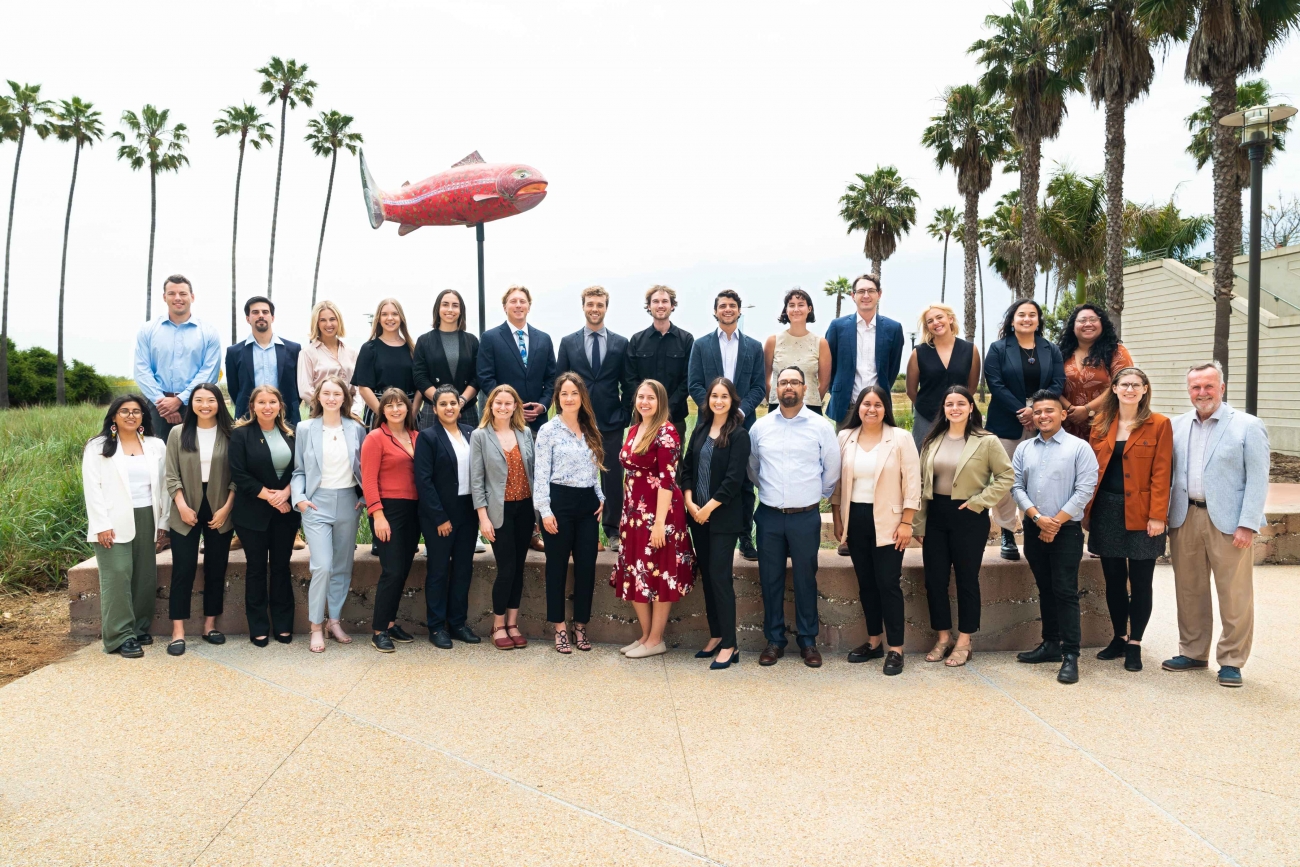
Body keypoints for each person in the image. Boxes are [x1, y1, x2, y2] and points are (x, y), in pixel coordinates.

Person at [1162, 361, 1269, 688]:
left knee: (1234, 594)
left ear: (1222, 387)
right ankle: (1193, 652)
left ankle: (1232, 661)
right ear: (1189, 390)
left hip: (1230, 522)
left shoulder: (1247, 426)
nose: (1202, 392)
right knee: (1189, 589)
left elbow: (1258, 478)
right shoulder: (1176, 425)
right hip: (1185, 516)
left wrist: (1248, 523)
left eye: (1209, 386)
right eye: (1196, 387)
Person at [913, 386, 1013, 668]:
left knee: (967, 580)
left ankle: (965, 641)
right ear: (943, 409)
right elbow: (922, 484)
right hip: (936, 516)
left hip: (969, 515)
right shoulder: (933, 440)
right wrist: (919, 523)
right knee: (934, 580)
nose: (954, 408)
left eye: (960, 403)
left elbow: (1006, 475)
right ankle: (943, 636)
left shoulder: (986, 440)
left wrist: (981, 501)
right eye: (949, 404)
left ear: (971, 407)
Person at [748, 366, 841, 668]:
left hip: (805, 517)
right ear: (775, 388)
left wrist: (811, 496)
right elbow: (753, 469)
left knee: (805, 579)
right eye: (783, 382)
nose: (788, 387)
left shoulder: (821, 426)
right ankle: (774, 640)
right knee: (770, 580)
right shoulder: (760, 428)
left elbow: (832, 471)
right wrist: (773, 493)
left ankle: (808, 641)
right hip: (770, 517)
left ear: (805, 388)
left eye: (794, 382)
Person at [1085, 368, 1172, 673]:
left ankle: (1135, 642)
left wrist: (1158, 516)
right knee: (1113, 581)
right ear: (1115, 389)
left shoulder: (1159, 424)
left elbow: (1162, 474)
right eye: (1125, 385)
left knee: (1141, 581)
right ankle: (1119, 637)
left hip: (1144, 513)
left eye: (1136, 385)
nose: (1130, 389)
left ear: (1145, 389)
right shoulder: (1100, 423)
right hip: (1106, 509)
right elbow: (1091, 469)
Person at [830, 384, 920, 676]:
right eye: (866, 404)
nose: (871, 409)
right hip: (855, 518)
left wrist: (907, 522)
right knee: (866, 584)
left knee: (888, 584)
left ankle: (896, 649)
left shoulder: (900, 438)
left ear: (886, 409)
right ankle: (874, 642)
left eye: (878, 405)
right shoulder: (845, 437)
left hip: (890, 522)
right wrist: (838, 519)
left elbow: (912, 483)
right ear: (858, 408)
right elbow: (837, 483)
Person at [1011, 390, 1098, 685]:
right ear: (1032, 417)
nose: (1043, 416)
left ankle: (1070, 654)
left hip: (1066, 530)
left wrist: (1055, 523)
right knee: (1045, 588)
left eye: (1049, 410)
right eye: (1038, 412)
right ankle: (1050, 643)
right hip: (1035, 527)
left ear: (1062, 414)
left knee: (1064, 590)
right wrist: (1037, 518)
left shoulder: (1079, 448)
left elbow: (1085, 489)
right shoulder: (1024, 449)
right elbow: (1016, 486)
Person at [611, 379, 695, 658]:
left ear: (661, 402)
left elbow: (667, 481)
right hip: (633, 514)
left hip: (661, 516)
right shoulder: (634, 429)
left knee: (660, 573)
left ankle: (657, 639)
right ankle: (646, 636)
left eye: (651, 398)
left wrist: (659, 524)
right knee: (635, 571)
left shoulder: (667, 432)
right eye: (640, 397)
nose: (644, 402)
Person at [82, 395, 169, 658]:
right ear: (113, 416)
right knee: (118, 575)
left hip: (148, 516)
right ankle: (120, 636)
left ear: (144, 417)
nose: (131, 415)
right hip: (112, 521)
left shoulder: (155, 445)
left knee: (144, 575)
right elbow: (92, 487)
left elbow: (164, 486)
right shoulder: (97, 446)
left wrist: (163, 523)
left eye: (137, 411)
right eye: (124, 411)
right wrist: (101, 525)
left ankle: (139, 627)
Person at [983, 299, 1066, 561]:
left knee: (1038, 478)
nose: (1027, 319)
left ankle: (1035, 526)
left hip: (1044, 421)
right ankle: (1008, 530)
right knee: (1005, 478)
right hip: (1007, 422)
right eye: (1021, 315)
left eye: (1032, 315)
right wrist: (1023, 410)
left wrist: (1037, 410)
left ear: (1039, 320)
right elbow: (995, 384)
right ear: (1011, 320)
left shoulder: (1050, 349)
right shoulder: (998, 349)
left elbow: (1058, 381)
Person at [688, 289, 766, 561]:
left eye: (732, 306)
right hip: (709, 423)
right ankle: (703, 535)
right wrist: (713, 410)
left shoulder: (754, 347)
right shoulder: (701, 345)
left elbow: (758, 387)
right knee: (706, 478)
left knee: (743, 482)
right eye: (722, 306)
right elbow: (695, 384)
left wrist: (740, 412)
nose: (727, 310)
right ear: (715, 311)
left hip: (741, 424)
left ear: (739, 310)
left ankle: (745, 538)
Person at [680, 377, 752, 670]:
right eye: (714, 396)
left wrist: (707, 508)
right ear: (707, 400)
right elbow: (686, 468)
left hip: (723, 518)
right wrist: (689, 502)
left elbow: (734, 480)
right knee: (708, 577)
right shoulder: (699, 430)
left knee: (720, 578)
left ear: (732, 400)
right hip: (697, 516)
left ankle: (730, 644)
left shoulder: (739, 435)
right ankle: (716, 634)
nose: (718, 401)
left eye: (724, 396)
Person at [291, 375, 366, 653]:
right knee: (322, 565)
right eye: (327, 393)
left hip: (348, 501)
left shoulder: (356, 428)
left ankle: (334, 621)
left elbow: (365, 468)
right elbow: (299, 470)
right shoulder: (305, 428)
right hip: (316, 503)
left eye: (337, 393)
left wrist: (364, 496)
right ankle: (315, 627)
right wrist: (299, 499)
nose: (332, 398)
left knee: (343, 566)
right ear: (318, 397)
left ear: (345, 398)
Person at [555, 286, 631, 551]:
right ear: (583, 306)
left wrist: (624, 414)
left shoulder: (621, 343)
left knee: (611, 477)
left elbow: (628, 383)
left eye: (599, 304)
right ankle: (583, 530)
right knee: (579, 476)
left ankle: (612, 531)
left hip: (611, 422)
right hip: (578, 422)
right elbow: (560, 383)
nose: (594, 309)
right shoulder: (568, 342)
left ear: (606, 307)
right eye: (590, 304)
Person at [534, 373, 605, 654]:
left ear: (581, 396)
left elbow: (594, 467)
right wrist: (545, 511)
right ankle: (560, 627)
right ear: (557, 398)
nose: (569, 398)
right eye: (564, 393)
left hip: (587, 504)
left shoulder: (589, 427)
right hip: (559, 503)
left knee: (587, 568)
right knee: (557, 568)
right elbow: (540, 475)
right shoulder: (549, 431)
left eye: (574, 393)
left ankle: (580, 625)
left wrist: (599, 496)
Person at [164, 384, 236, 656]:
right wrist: (181, 505)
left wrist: (227, 508)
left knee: (216, 568)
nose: (205, 405)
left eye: (211, 400)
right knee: (183, 569)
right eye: (198, 400)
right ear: (191, 403)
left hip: (219, 507)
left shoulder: (231, 434)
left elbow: (237, 477)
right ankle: (178, 631)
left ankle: (210, 625)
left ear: (219, 403)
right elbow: (171, 474)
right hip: (186, 507)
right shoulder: (178, 433)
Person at [229, 385, 301, 647]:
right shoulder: (241, 435)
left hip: (286, 513)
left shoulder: (292, 434)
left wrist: (286, 494)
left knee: (281, 568)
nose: (267, 406)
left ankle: (283, 625)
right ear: (253, 407)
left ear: (280, 406)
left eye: (273, 402)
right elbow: (239, 474)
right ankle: (258, 626)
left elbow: (301, 469)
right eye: (262, 402)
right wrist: (271, 497)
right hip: (252, 514)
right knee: (256, 569)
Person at [414, 385, 481, 649]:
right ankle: (436, 626)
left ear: (459, 405)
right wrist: (440, 517)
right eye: (443, 404)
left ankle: (458, 624)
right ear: (435, 408)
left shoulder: (471, 433)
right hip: (439, 515)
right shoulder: (428, 437)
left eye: (453, 403)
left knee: (463, 569)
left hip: (467, 512)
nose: (449, 408)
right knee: (439, 571)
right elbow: (424, 480)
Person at [471, 385, 536, 651]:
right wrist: (483, 518)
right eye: (498, 403)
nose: (503, 407)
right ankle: (497, 625)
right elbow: (477, 481)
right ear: (490, 405)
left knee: (519, 568)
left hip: (524, 509)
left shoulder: (525, 433)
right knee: (506, 568)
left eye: (509, 403)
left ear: (515, 407)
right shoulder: (480, 436)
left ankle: (512, 623)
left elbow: (533, 472)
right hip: (499, 512)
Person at [361, 388, 421, 653]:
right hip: (388, 511)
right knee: (392, 571)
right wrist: (378, 515)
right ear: (382, 411)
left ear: (408, 409)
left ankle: (391, 622)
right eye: (390, 405)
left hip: (414, 511)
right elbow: (369, 480)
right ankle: (378, 630)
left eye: (401, 405)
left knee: (404, 569)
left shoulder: (416, 437)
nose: (396, 409)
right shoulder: (375, 438)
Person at [132, 274, 222, 444]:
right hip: (157, 405)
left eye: (183, 293)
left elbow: (209, 371)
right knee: (156, 455)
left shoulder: (208, 332)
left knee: (195, 455)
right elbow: (141, 370)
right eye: (172, 293)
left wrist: (180, 399)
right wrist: (163, 403)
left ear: (192, 297)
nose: (178, 298)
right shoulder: (148, 330)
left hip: (197, 405)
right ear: (164, 297)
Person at [824, 273, 905, 426]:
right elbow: (829, 366)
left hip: (878, 407)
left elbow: (892, 368)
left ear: (879, 294)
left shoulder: (893, 329)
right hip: (846, 407)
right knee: (845, 449)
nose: (866, 295)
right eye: (861, 291)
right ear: (853, 295)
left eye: (871, 291)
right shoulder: (837, 327)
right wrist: (838, 389)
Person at [477, 284, 556, 435]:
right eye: (513, 301)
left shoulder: (544, 339)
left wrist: (543, 404)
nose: (518, 305)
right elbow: (485, 377)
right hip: (504, 421)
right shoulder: (490, 338)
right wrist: (509, 405)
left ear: (529, 306)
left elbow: (552, 377)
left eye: (522, 301)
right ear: (504, 307)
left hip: (537, 422)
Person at [905, 303, 981, 450]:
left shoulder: (970, 350)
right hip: (926, 417)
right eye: (930, 321)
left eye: (939, 317)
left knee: (959, 460)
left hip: (959, 416)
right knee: (923, 461)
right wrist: (929, 408)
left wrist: (956, 407)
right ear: (927, 327)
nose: (936, 323)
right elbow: (910, 390)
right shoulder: (919, 352)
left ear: (950, 319)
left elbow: (971, 387)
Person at [624, 285, 695, 432]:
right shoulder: (637, 340)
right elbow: (630, 378)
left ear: (672, 305)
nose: (660, 305)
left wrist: (667, 409)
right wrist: (646, 405)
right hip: (642, 416)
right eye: (655, 301)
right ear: (649, 306)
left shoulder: (686, 340)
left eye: (665, 301)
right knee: (637, 455)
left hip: (674, 417)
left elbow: (688, 380)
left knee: (673, 456)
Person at [1058, 303, 1134, 440]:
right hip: (1066, 426)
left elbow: (1122, 385)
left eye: (1093, 320)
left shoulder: (1117, 352)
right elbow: (1051, 383)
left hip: (1104, 425)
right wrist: (1069, 407)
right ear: (1073, 326)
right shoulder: (1061, 353)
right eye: (1082, 320)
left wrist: (1087, 409)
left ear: (1102, 324)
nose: (1088, 324)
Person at [225, 295, 303, 425]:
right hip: (248, 419)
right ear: (248, 318)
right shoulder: (234, 352)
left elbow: (297, 386)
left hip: (287, 419)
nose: (261, 315)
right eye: (255, 312)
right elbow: (234, 389)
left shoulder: (293, 349)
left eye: (265, 312)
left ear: (272, 318)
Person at [413, 289, 480, 429]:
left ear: (461, 310)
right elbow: (420, 377)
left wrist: (460, 401)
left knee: (470, 451)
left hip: (467, 410)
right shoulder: (424, 341)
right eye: (445, 304)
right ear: (438, 308)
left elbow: (477, 376)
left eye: (455, 305)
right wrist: (442, 402)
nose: (450, 309)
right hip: (433, 410)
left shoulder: (472, 341)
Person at [354, 298, 421, 429]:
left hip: (409, 414)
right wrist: (385, 414)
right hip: (378, 413)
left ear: (401, 317)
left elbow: (421, 384)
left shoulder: (413, 349)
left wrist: (412, 412)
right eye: (384, 314)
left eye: (394, 314)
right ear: (378, 318)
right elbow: (363, 388)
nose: (390, 318)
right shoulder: (369, 348)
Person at [763, 287, 831, 414]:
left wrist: (808, 401)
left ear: (809, 309)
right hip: (778, 408)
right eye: (791, 305)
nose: (796, 309)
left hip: (810, 409)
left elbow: (824, 383)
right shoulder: (773, 341)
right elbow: (765, 379)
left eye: (801, 305)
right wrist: (776, 399)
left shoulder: (820, 343)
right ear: (786, 310)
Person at [298, 299, 358, 411]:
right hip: (321, 414)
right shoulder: (307, 353)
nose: (328, 324)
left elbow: (359, 389)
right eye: (323, 320)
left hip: (350, 414)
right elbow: (305, 390)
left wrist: (354, 412)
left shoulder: (352, 352)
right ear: (316, 323)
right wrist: (329, 410)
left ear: (339, 321)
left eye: (332, 319)